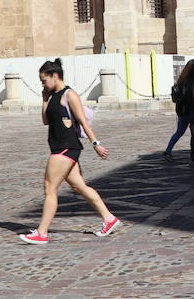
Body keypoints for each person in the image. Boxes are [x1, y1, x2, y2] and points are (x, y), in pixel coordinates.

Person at [19, 58, 120, 245]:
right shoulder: (53, 96)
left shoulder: (69, 94)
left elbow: (82, 120)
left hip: (65, 147)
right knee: (79, 186)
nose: (43, 84)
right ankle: (109, 219)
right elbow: (46, 121)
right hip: (61, 146)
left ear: (55, 76)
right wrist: (44, 99)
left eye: (44, 80)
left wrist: (96, 143)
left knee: (50, 189)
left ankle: (42, 232)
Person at [165, 59, 194, 161]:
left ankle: (167, 151)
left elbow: (190, 96)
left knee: (180, 132)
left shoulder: (182, 81)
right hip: (192, 111)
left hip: (182, 111)